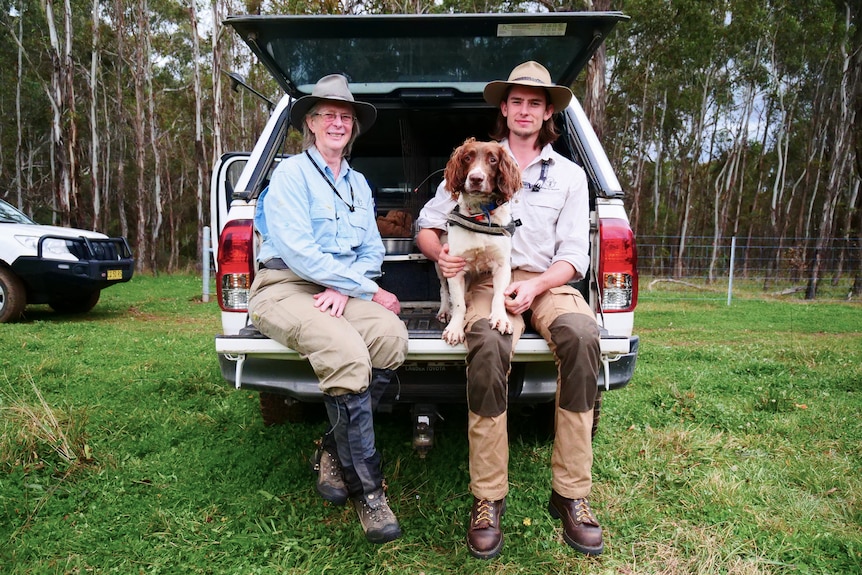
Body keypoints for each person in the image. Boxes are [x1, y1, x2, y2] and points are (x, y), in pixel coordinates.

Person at [415, 61, 603, 559]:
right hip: (481, 281)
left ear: (547, 114)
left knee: (583, 337)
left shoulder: (570, 176)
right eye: (516, 101)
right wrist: (441, 253)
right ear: (505, 108)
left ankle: (570, 494)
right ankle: (488, 499)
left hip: (546, 283)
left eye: (535, 103)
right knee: (488, 342)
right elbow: (426, 227)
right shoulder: (473, 167)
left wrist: (535, 285)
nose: (524, 110)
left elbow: (574, 258)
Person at [248, 74, 407, 544]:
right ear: (312, 124)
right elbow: (296, 249)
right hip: (283, 285)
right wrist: (354, 286)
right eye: (328, 115)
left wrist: (349, 288)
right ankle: (370, 493)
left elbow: (373, 251)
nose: (338, 123)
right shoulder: (291, 175)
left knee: (391, 337)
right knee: (347, 353)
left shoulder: (359, 184)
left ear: (353, 127)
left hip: (338, 289)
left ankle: (334, 453)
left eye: (346, 116)